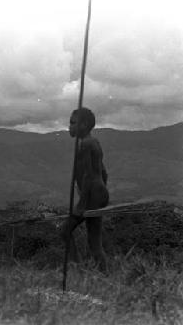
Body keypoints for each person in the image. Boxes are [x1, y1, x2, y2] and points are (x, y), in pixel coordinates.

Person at [61, 107, 109, 272]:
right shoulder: (94, 142)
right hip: (98, 195)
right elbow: (104, 173)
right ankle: (104, 275)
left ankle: (77, 268)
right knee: (94, 242)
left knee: (65, 230)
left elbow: (88, 174)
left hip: (92, 198)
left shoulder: (86, 145)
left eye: (73, 123)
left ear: (84, 125)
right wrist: (101, 193)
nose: (69, 127)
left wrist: (82, 203)